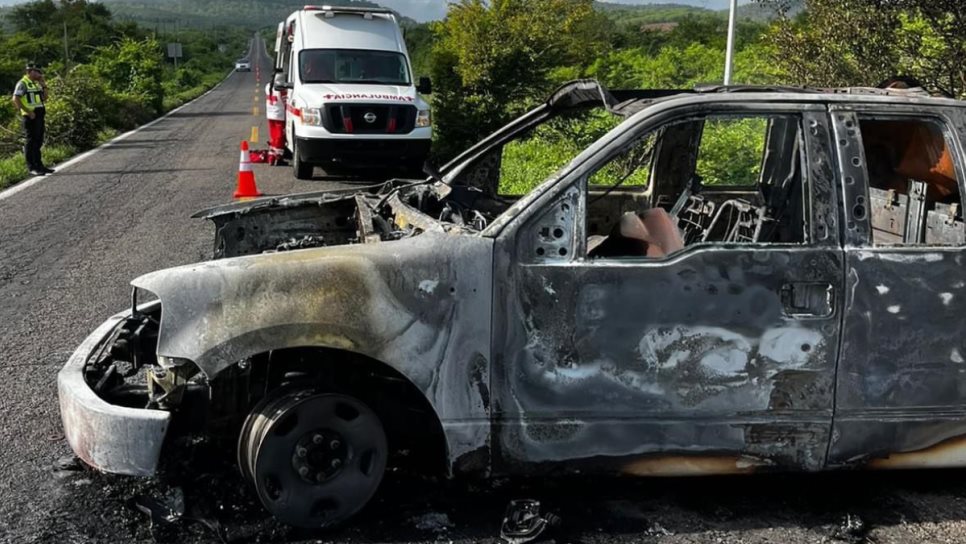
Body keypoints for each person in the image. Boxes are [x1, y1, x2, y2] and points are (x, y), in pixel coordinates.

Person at [12, 64, 52, 176]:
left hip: (39, 114)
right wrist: (28, 112)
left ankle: (39, 165)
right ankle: (32, 167)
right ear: (30, 72)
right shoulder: (22, 83)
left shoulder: (35, 84)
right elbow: (15, 99)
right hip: (30, 116)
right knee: (31, 142)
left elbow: (45, 98)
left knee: (38, 141)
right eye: (37, 71)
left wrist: (44, 86)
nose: (40, 74)